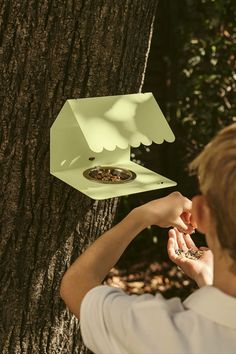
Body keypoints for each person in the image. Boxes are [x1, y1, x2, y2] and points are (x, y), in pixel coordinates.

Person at [60, 123, 236, 354]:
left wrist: (143, 216)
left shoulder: (163, 336)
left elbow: (76, 284)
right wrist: (208, 281)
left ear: (201, 213)